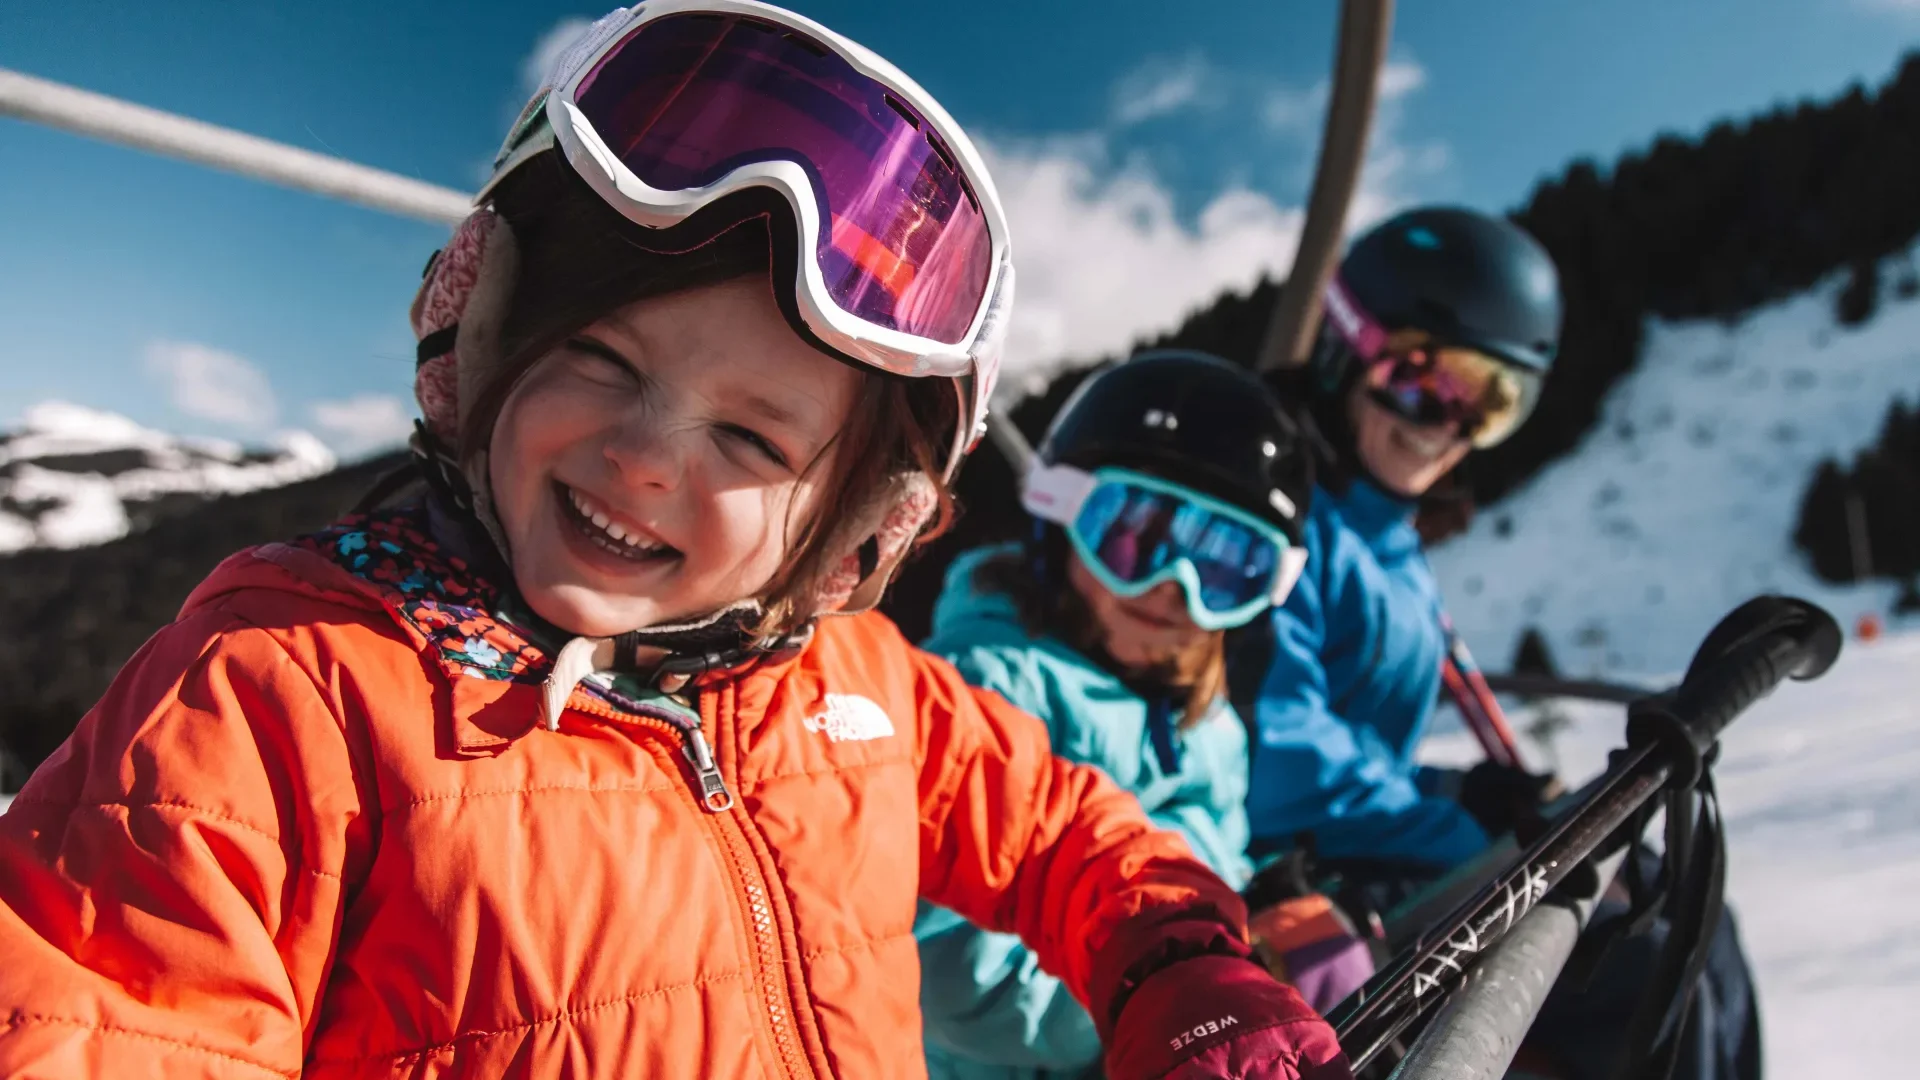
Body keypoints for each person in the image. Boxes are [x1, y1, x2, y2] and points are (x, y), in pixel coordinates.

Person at [0, 7, 1351, 1079]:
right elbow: (109, 1015)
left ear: (846, 531)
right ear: (481, 337)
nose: (649, 454)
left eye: (756, 443)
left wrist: (1170, 961)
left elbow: (1061, 825)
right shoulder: (287, 700)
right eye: (600, 358)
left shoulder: (859, 691)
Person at [1231, 205, 1760, 1080]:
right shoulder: (1280, 513)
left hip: (1373, 848)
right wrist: (1469, 833)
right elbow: (1278, 759)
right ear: (1350, 343)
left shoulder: (1392, 540)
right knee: (1649, 970)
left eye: (1491, 403)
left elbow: (1360, 751)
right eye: (1422, 380)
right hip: (1292, 875)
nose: (1445, 424)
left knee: (1693, 914)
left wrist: (1472, 795)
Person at [914, 353, 1374, 1080]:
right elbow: (951, 978)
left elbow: (1206, 849)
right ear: (1063, 515)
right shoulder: (987, 690)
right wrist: (1159, 1003)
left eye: (1224, 567)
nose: (1172, 589)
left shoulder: (1209, 723)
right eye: (1133, 535)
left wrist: (1251, 907)